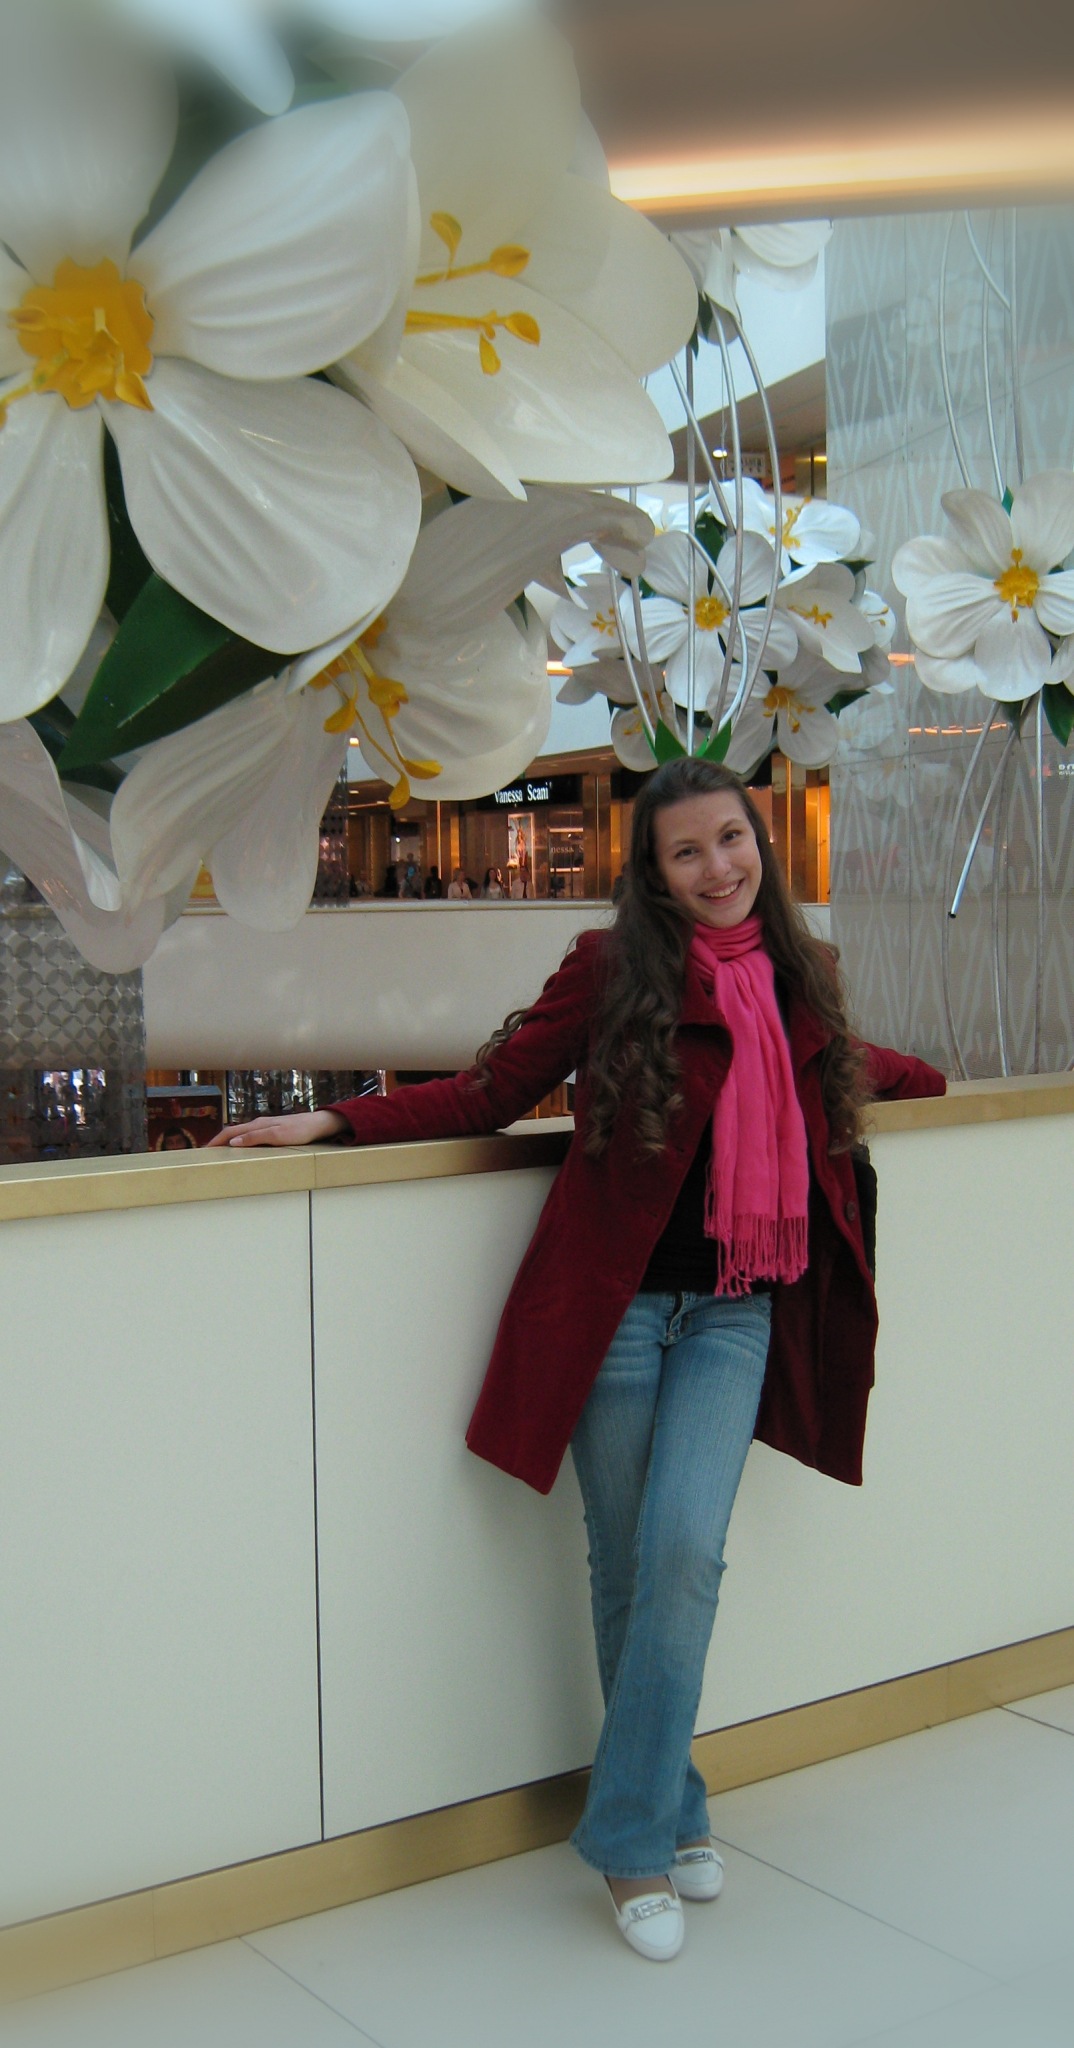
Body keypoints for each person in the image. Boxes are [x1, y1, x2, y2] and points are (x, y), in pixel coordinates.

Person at [209, 759, 945, 1964]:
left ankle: (626, 1832)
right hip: (613, 1313)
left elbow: (844, 1065)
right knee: (625, 1565)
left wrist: (946, 1081)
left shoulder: (798, 970)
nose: (718, 867)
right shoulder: (612, 969)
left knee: (683, 1551)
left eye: (730, 839)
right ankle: (670, 1814)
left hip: (736, 1309)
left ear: (758, 842)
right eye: (687, 851)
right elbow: (492, 1090)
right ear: (652, 872)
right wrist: (337, 1117)